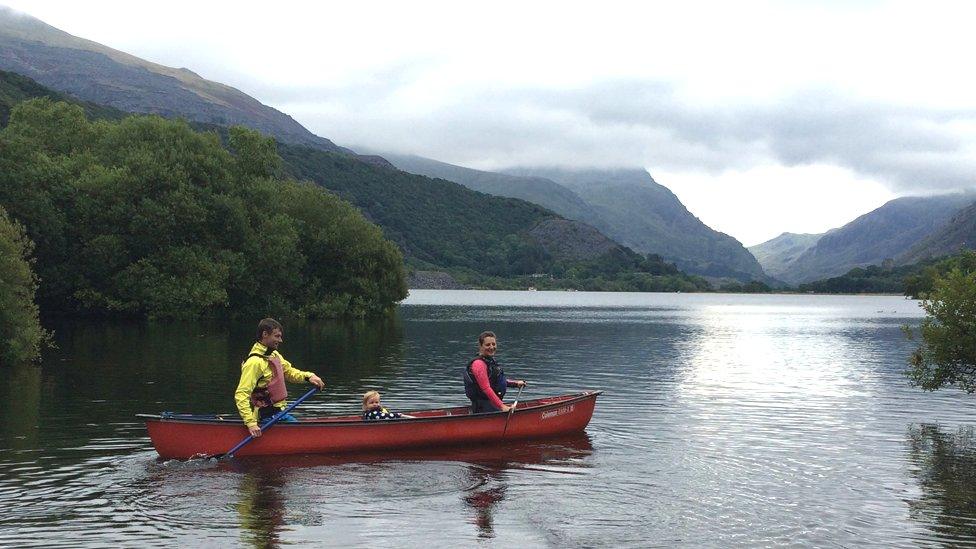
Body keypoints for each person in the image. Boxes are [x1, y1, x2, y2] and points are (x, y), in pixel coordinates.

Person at [234, 318, 325, 437]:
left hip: (280, 414)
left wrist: (309, 376)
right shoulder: (254, 363)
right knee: (302, 436)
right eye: (277, 336)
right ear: (265, 334)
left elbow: (289, 372)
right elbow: (241, 394)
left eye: (280, 337)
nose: (280, 340)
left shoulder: (273, 355)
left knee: (302, 433)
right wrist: (251, 423)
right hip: (266, 418)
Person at [462, 331, 527, 413]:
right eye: (487, 345)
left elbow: (494, 381)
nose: (491, 347)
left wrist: (515, 384)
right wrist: (502, 406)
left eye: (493, 344)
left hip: (492, 404)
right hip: (484, 408)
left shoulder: (489, 361)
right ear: (480, 346)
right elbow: (486, 388)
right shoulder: (478, 364)